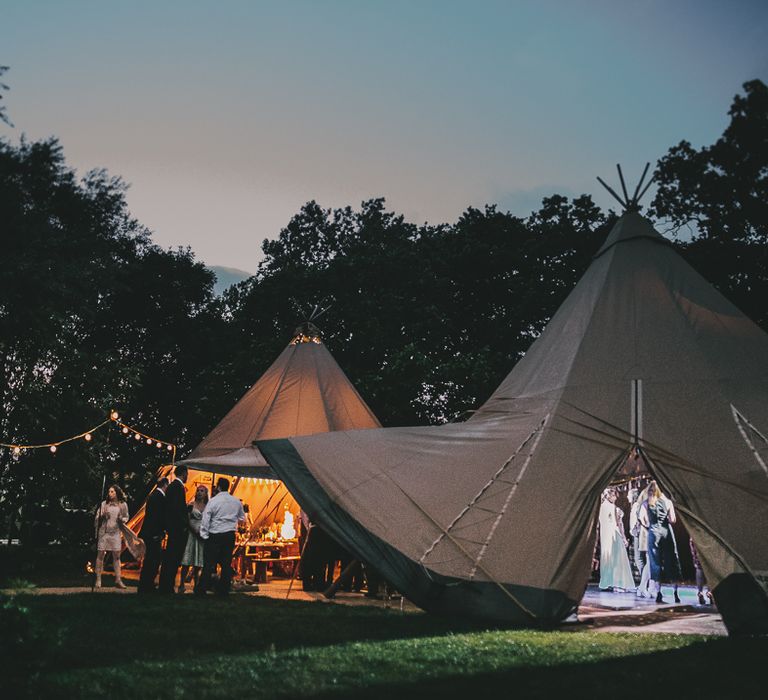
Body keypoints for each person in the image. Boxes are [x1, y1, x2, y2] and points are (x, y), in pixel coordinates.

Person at [195, 477, 245, 596]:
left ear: (218, 487)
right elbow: (243, 518)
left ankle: (201, 589)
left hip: (215, 535)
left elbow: (206, 519)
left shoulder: (213, 501)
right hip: (229, 535)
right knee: (226, 563)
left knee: (208, 563)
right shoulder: (236, 501)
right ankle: (223, 589)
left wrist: (204, 534)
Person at [640, 480, 682, 604]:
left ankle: (658, 593)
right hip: (666, 532)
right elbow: (673, 520)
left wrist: (649, 525)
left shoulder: (646, 503)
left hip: (653, 532)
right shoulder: (668, 502)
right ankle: (676, 594)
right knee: (672, 560)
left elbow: (642, 519)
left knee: (655, 562)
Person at [158, 465, 189, 594]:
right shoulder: (178, 487)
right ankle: (167, 586)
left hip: (172, 528)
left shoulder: (172, 487)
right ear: (184, 473)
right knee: (173, 558)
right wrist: (183, 525)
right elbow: (176, 510)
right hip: (176, 530)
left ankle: (165, 585)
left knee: (170, 558)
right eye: (187, 473)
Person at [598, 487, 635, 592]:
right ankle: (617, 583)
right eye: (614, 495)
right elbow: (618, 524)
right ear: (609, 495)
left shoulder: (600, 507)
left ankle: (607, 582)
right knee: (617, 558)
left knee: (607, 558)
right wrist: (623, 538)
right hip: (614, 534)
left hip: (605, 536)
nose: (615, 498)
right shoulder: (612, 507)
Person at [94, 485, 130, 589]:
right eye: (109, 491)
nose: (110, 493)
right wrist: (102, 516)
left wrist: (122, 520)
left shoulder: (122, 505)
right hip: (104, 532)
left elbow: (126, 516)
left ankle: (118, 580)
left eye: (112, 491)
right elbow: (97, 517)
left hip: (115, 533)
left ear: (117, 493)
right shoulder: (104, 504)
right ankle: (98, 579)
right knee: (100, 555)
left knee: (117, 556)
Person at [138, 476, 169, 594]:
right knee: (153, 560)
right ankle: (147, 585)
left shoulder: (154, 495)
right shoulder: (159, 497)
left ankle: (145, 585)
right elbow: (157, 517)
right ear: (165, 485)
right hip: (153, 533)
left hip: (149, 532)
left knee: (151, 560)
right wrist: (158, 533)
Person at [179, 484, 209, 593]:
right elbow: (186, 520)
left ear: (206, 494)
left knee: (198, 562)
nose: (199, 492)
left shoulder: (208, 507)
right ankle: (182, 584)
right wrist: (193, 529)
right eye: (198, 490)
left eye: (202, 491)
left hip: (202, 536)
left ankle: (196, 584)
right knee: (187, 561)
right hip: (192, 535)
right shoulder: (191, 505)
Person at [630, 484, 651, 597]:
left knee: (640, 559)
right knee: (641, 559)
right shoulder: (638, 505)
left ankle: (644, 584)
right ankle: (644, 584)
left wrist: (634, 531)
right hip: (637, 533)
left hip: (639, 533)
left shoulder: (638, 505)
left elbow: (638, 521)